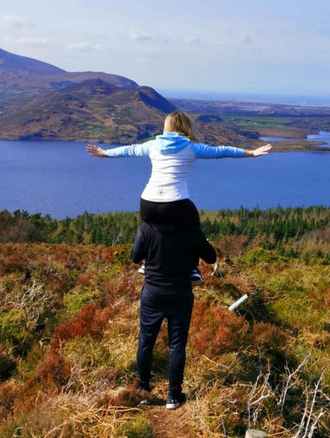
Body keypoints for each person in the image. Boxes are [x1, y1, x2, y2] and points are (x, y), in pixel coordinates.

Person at [86, 111, 272, 281]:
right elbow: (222, 151)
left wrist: (105, 153)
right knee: (192, 227)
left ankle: (147, 264)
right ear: (185, 127)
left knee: (154, 228)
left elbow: (128, 149)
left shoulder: (152, 145)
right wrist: (252, 153)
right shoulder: (191, 147)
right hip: (175, 203)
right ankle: (192, 268)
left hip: (148, 203)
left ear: (167, 127)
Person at [131, 219, 217, 409]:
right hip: (180, 294)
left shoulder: (147, 227)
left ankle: (143, 391)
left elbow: (135, 256)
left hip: (152, 293)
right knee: (177, 345)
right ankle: (173, 396)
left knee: (146, 340)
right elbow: (211, 257)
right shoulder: (191, 227)